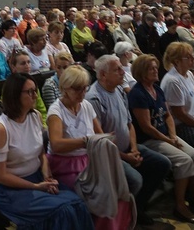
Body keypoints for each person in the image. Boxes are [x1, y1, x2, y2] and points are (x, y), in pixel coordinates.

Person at [0, 73, 94, 230]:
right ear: (15, 95)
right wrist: (36, 186)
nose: (35, 96)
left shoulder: (35, 116)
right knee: (63, 210)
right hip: (12, 188)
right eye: (29, 92)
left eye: (35, 91)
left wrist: (48, 177)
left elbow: (41, 154)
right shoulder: (2, 128)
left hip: (37, 177)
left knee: (78, 204)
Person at [86, 54, 170, 225]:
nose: (122, 72)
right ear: (102, 74)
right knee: (135, 179)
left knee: (162, 164)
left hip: (128, 148)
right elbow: (101, 140)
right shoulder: (94, 98)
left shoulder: (118, 90)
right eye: (117, 69)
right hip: (109, 155)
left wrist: (134, 148)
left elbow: (129, 124)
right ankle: (121, 218)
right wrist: (126, 157)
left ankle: (138, 207)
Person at [47, 65, 133, 229]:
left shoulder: (85, 105)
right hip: (65, 165)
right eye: (77, 89)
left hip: (88, 161)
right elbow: (57, 145)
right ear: (65, 88)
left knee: (117, 191)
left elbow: (99, 135)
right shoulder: (56, 111)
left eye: (84, 88)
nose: (82, 93)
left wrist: (107, 140)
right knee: (100, 193)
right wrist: (87, 141)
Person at [128, 54, 194, 224]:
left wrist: (172, 135)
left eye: (156, 67)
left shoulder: (157, 89)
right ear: (142, 72)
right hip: (149, 140)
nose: (156, 70)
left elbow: (168, 115)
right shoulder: (137, 94)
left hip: (165, 135)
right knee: (184, 160)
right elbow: (147, 127)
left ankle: (193, 195)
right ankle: (179, 205)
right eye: (151, 68)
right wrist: (169, 140)